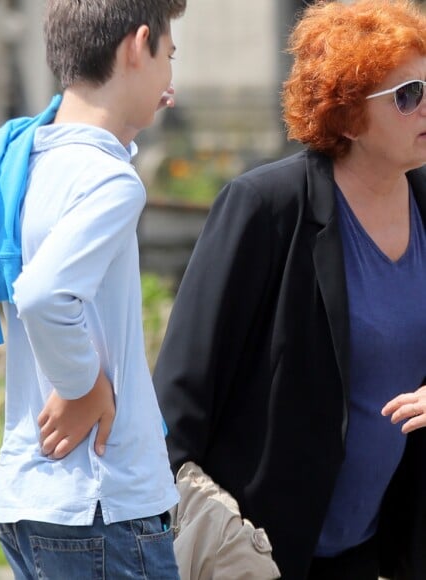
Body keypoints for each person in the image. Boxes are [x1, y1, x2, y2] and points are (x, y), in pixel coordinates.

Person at [153, 1, 426, 579]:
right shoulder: (264, 207)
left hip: (381, 547)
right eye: (409, 95)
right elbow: (183, 390)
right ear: (347, 113)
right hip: (259, 549)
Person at [0, 1, 187, 578]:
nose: (170, 78)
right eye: (169, 58)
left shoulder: (27, 158)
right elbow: (44, 295)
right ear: (138, 45)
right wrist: (85, 387)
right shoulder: (109, 180)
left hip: (35, 500)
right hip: (105, 504)